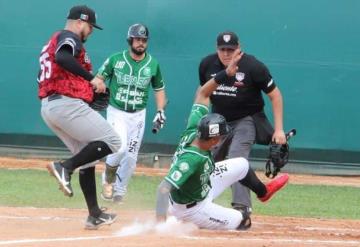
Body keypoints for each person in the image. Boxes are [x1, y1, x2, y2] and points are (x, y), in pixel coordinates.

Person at [155, 49, 289, 231]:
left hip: (201, 183)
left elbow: (203, 94)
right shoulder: (192, 159)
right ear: (211, 140)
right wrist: (159, 228)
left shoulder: (194, 128)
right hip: (192, 207)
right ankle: (184, 220)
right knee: (243, 222)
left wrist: (225, 74)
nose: (221, 138)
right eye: (219, 136)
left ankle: (263, 192)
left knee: (241, 164)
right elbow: (163, 189)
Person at [37, 5, 122, 230]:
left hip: (51, 107)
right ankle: (65, 167)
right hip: (65, 104)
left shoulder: (51, 43)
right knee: (114, 141)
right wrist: (92, 79)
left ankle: (94, 214)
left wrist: (87, 92)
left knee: (89, 156)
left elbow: (57, 70)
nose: (91, 31)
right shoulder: (68, 36)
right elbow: (63, 57)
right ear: (79, 22)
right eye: (90, 26)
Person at [198, 31, 286, 213]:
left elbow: (275, 96)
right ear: (217, 49)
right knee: (206, 161)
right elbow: (204, 93)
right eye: (222, 49)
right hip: (218, 120)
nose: (226, 53)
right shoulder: (207, 64)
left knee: (237, 159)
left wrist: (279, 130)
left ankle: (242, 207)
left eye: (231, 49)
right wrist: (199, 117)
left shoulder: (253, 66)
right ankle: (197, 202)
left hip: (246, 119)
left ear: (239, 48)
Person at [91, 23, 167, 203]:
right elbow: (97, 79)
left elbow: (159, 89)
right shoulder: (116, 59)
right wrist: (99, 85)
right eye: (137, 39)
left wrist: (160, 111)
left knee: (131, 157)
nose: (141, 43)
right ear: (130, 40)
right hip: (117, 111)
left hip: (138, 115)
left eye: (144, 40)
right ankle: (108, 181)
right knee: (120, 146)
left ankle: (119, 191)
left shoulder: (153, 64)